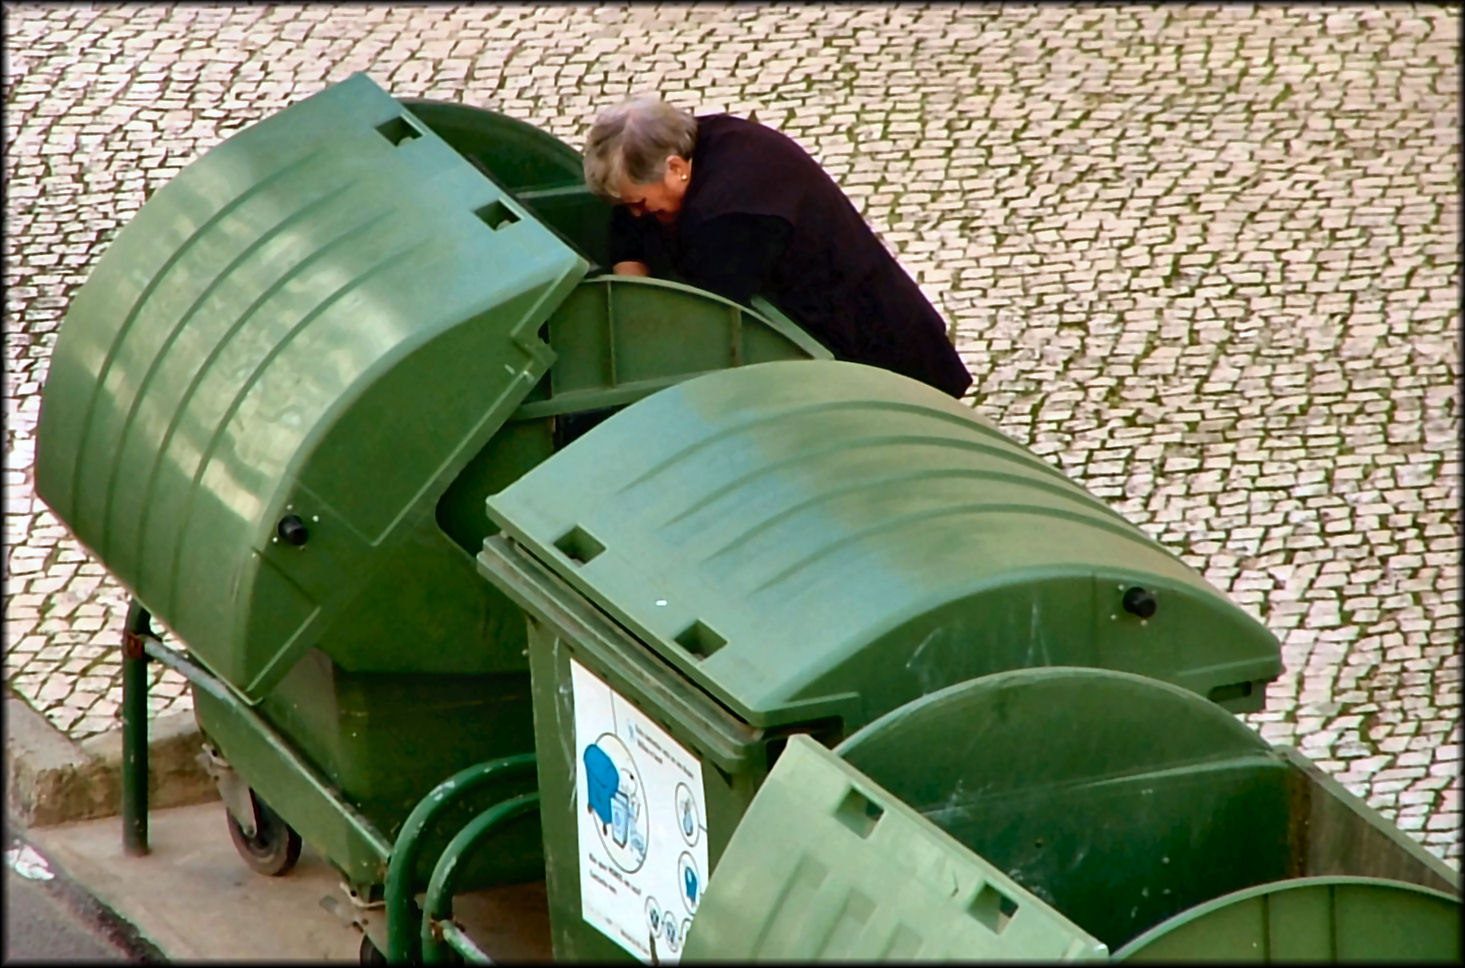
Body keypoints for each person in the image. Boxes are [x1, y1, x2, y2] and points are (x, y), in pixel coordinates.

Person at [581, 96, 973, 399]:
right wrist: (631, 274)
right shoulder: (706, 139)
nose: (636, 215)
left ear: (676, 169)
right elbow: (631, 223)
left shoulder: (726, 216)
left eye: (638, 203)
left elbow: (705, 316)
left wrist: (639, 307)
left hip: (874, 352)